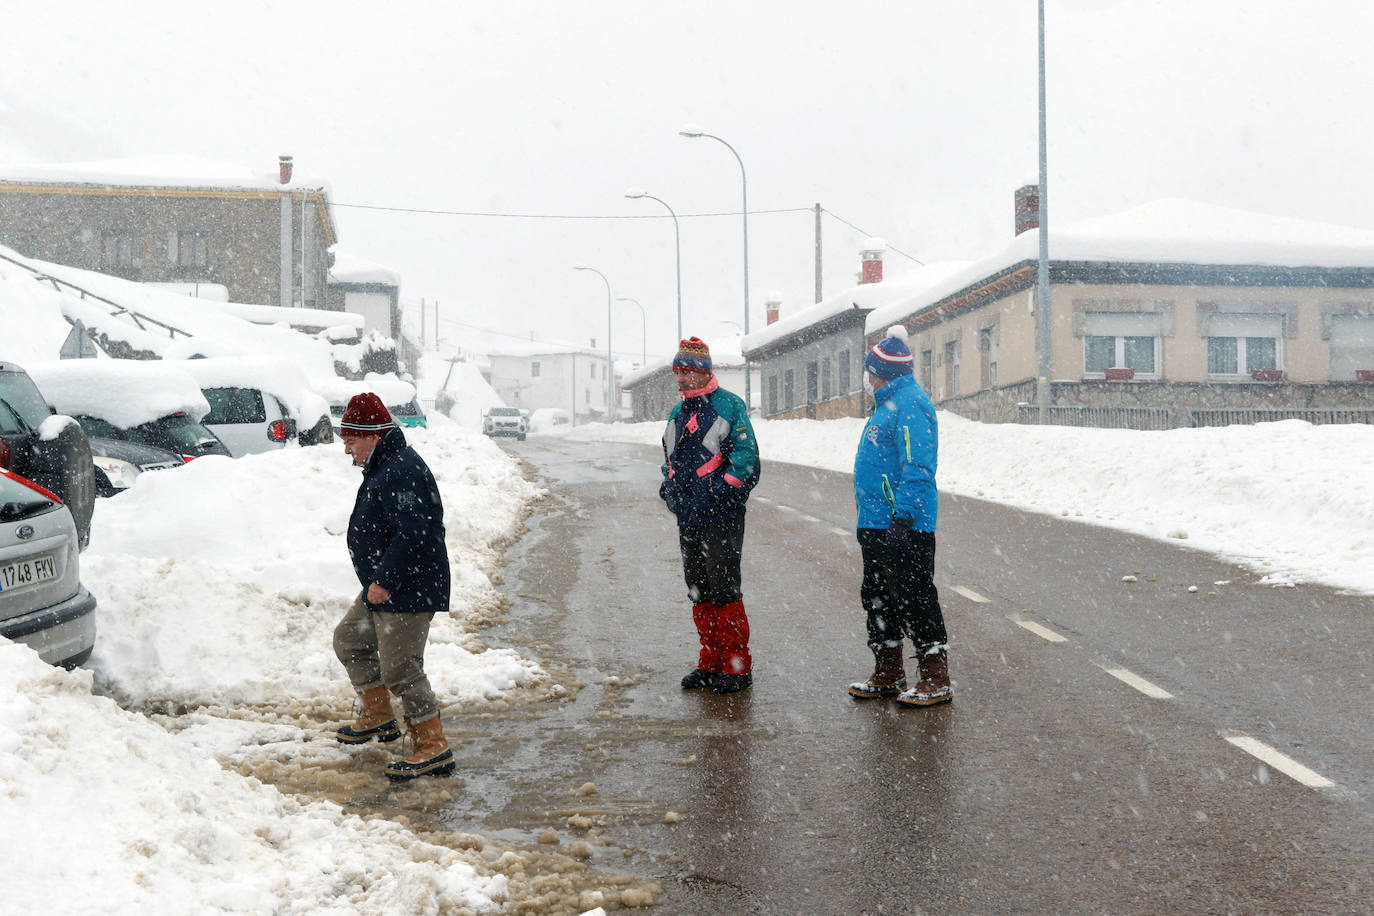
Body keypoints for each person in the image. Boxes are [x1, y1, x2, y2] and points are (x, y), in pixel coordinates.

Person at [332, 392, 456, 779]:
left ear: (373, 435)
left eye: (351, 440)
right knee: (351, 639)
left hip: (407, 587)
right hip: (385, 584)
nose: (348, 449)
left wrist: (385, 580)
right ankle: (379, 716)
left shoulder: (400, 469)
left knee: (401, 668)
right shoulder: (384, 464)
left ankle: (432, 746)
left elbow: (414, 535)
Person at [848, 326, 953, 707]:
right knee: (877, 597)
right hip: (876, 523)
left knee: (915, 597)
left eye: (870, 370)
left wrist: (903, 517)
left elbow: (918, 465)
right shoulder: (887, 403)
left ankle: (934, 676)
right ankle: (888, 672)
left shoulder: (910, 403)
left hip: (903, 524)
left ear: (883, 372)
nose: (867, 377)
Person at [659, 337, 761, 694]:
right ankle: (711, 660)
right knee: (699, 588)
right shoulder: (678, 412)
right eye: (677, 372)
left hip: (722, 517)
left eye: (685, 372)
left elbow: (746, 460)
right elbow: (669, 459)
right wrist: (669, 487)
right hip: (689, 518)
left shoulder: (729, 407)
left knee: (724, 587)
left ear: (702, 372)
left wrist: (720, 493)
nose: (680, 379)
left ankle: (736, 664)